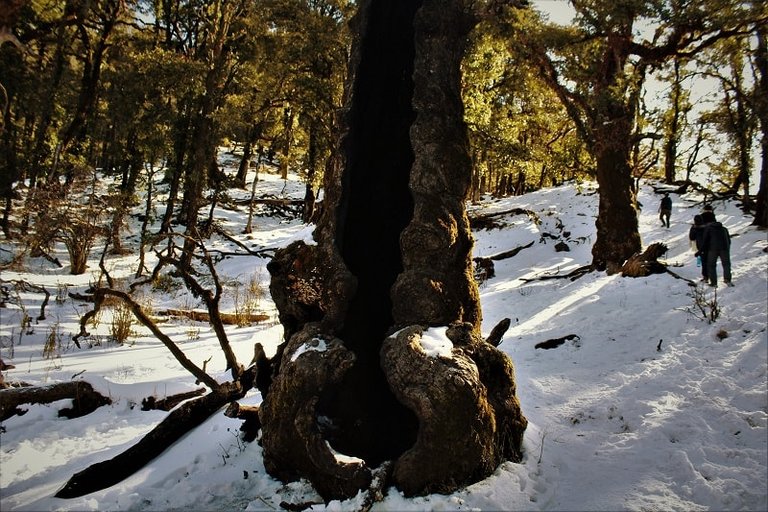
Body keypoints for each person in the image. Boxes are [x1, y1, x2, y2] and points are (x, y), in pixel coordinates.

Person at [699, 210, 733, 287]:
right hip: (724, 248)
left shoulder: (708, 229)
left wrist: (702, 250)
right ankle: (727, 279)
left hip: (712, 249)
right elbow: (729, 240)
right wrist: (727, 248)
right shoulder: (723, 228)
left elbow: (705, 241)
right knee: (726, 264)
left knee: (711, 265)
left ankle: (714, 283)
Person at [688, 214, 708, 282]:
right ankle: (710, 275)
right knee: (709, 262)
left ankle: (706, 277)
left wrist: (693, 228)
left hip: (700, 247)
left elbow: (692, 238)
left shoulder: (694, 228)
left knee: (704, 262)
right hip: (709, 246)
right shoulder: (707, 227)